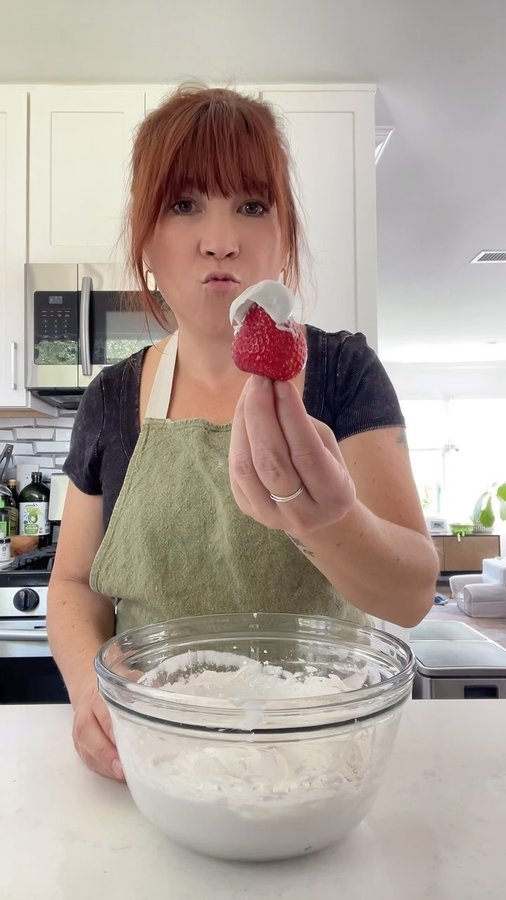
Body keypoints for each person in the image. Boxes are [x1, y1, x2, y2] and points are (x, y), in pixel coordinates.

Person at [47, 84, 439, 782]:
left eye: (252, 206)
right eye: (184, 205)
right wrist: (88, 691)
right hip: (162, 762)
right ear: (146, 241)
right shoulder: (111, 398)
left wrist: (327, 520)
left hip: (319, 758)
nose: (221, 240)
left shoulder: (343, 371)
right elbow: (75, 582)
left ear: (284, 237)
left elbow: (410, 596)